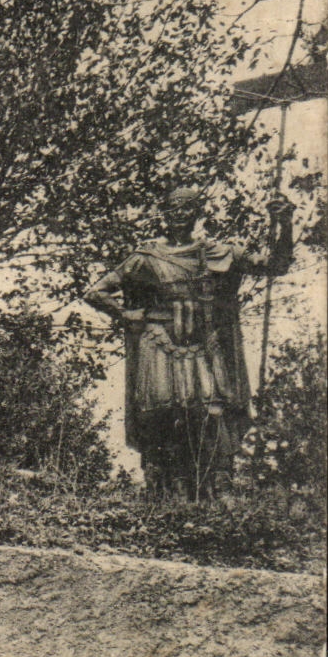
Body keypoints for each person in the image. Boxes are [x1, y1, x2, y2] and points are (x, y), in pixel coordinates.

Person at [85, 185, 294, 499]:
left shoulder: (219, 252)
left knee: (214, 408)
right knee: (162, 411)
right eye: (173, 208)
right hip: (159, 341)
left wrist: (285, 223)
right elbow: (97, 291)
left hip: (203, 342)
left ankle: (219, 484)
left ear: (197, 213)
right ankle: (168, 488)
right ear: (164, 214)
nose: (180, 214)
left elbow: (275, 266)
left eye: (186, 207)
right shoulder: (147, 256)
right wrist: (126, 314)